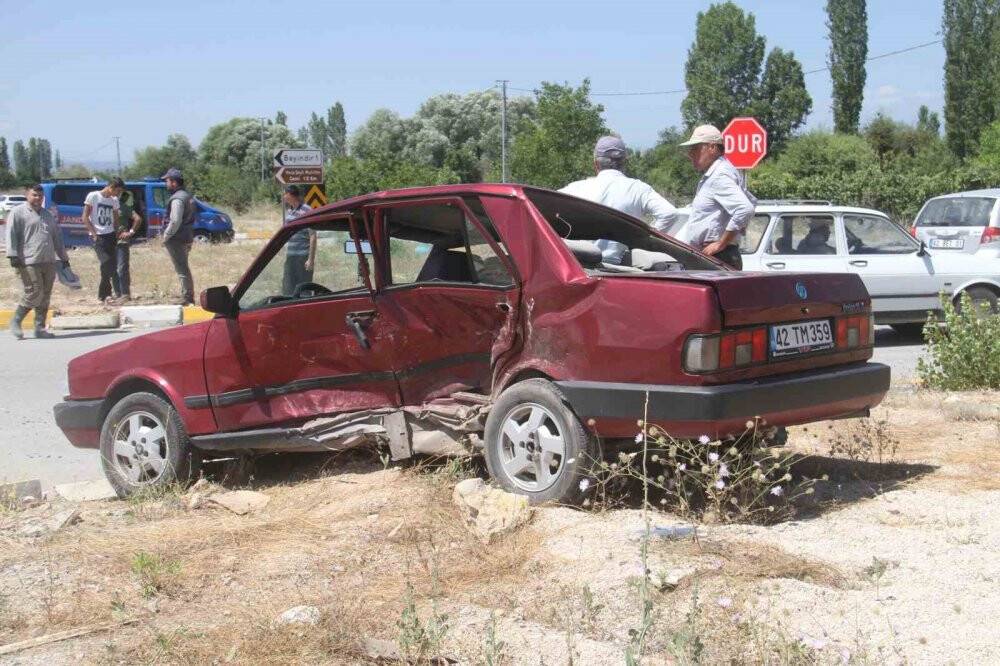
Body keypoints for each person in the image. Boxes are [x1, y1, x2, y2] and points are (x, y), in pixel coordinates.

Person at [560, 135, 678, 232]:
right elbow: (670, 213)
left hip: (578, 259)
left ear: (596, 164)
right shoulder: (638, 188)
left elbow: (544, 206)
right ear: (624, 163)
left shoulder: (575, 188)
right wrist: (645, 239)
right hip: (619, 260)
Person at [679, 125, 757, 269]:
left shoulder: (719, 175)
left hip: (716, 257)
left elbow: (745, 208)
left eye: (695, 148)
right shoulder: (722, 171)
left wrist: (722, 243)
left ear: (712, 147)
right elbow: (751, 200)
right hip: (715, 256)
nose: (691, 154)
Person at [5, 184, 70, 339]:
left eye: (40, 196)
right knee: (34, 292)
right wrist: (13, 255)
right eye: (34, 195)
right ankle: (16, 320)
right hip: (28, 260)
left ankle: (39, 328)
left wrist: (64, 258)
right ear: (27, 194)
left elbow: (57, 238)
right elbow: (11, 234)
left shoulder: (47, 215)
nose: (38, 198)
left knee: (45, 295)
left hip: (48, 261)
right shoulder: (18, 212)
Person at [82, 177, 124, 303]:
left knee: (110, 266)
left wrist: (117, 233)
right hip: (98, 235)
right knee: (105, 262)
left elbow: (116, 219)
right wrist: (94, 234)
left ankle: (104, 294)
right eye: (117, 190)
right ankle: (106, 293)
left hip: (110, 235)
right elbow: (85, 217)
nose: (118, 194)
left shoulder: (114, 200)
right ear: (111, 187)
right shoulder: (93, 196)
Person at [161, 168, 196, 305]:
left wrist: (166, 236)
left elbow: (175, 220)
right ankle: (187, 295)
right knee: (184, 266)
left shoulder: (177, 199)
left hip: (177, 238)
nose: (166, 184)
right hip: (187, 236)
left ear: (174, 182)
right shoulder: (187, 196)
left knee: (182, 268)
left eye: (167, 181)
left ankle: (187, 297)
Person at [281, 185, 317, 295]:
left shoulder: (307, 210)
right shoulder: (289, 211)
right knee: (288, 288)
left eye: (285, 194)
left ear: (291, 195)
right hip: (291, 256)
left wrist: (310, 259)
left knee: (304, 288)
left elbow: (313, 235)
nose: (283, 197)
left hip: (303, 257)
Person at [111, 190, 143, 300]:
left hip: (121, 242)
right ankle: (118, 294)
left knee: (122, 268)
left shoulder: (123, 206)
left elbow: (137, 219)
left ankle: (125, 294)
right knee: (112, 269)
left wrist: (130, 232)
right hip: (109, 241)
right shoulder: (104, 206)